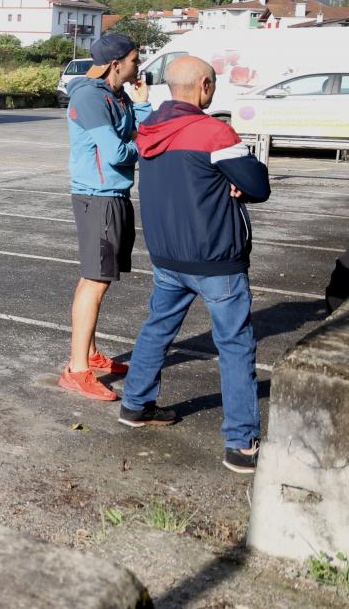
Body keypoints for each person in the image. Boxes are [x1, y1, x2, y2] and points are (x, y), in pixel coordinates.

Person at [118, 56, 270, 474]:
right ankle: (241, 443)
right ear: (204, 85)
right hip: (215, 257)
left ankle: (135, 404)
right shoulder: (213, 132)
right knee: (235, 344)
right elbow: (258, 185)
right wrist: (236, 179)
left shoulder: (149, 128)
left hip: (168, 255)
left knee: (158, 328)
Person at [60, 33, 151, 401]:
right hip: (97, 197)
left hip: (112, 195)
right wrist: (144, 142)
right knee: (95, 281)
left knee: (98, 277)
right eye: (134, 60)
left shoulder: (118, 95)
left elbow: (136, 134)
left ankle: (89, 353)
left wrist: (142, 107)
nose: (138, 66)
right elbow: (117, 152)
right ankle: (77, 369)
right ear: (116, 64)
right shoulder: (90, 98)